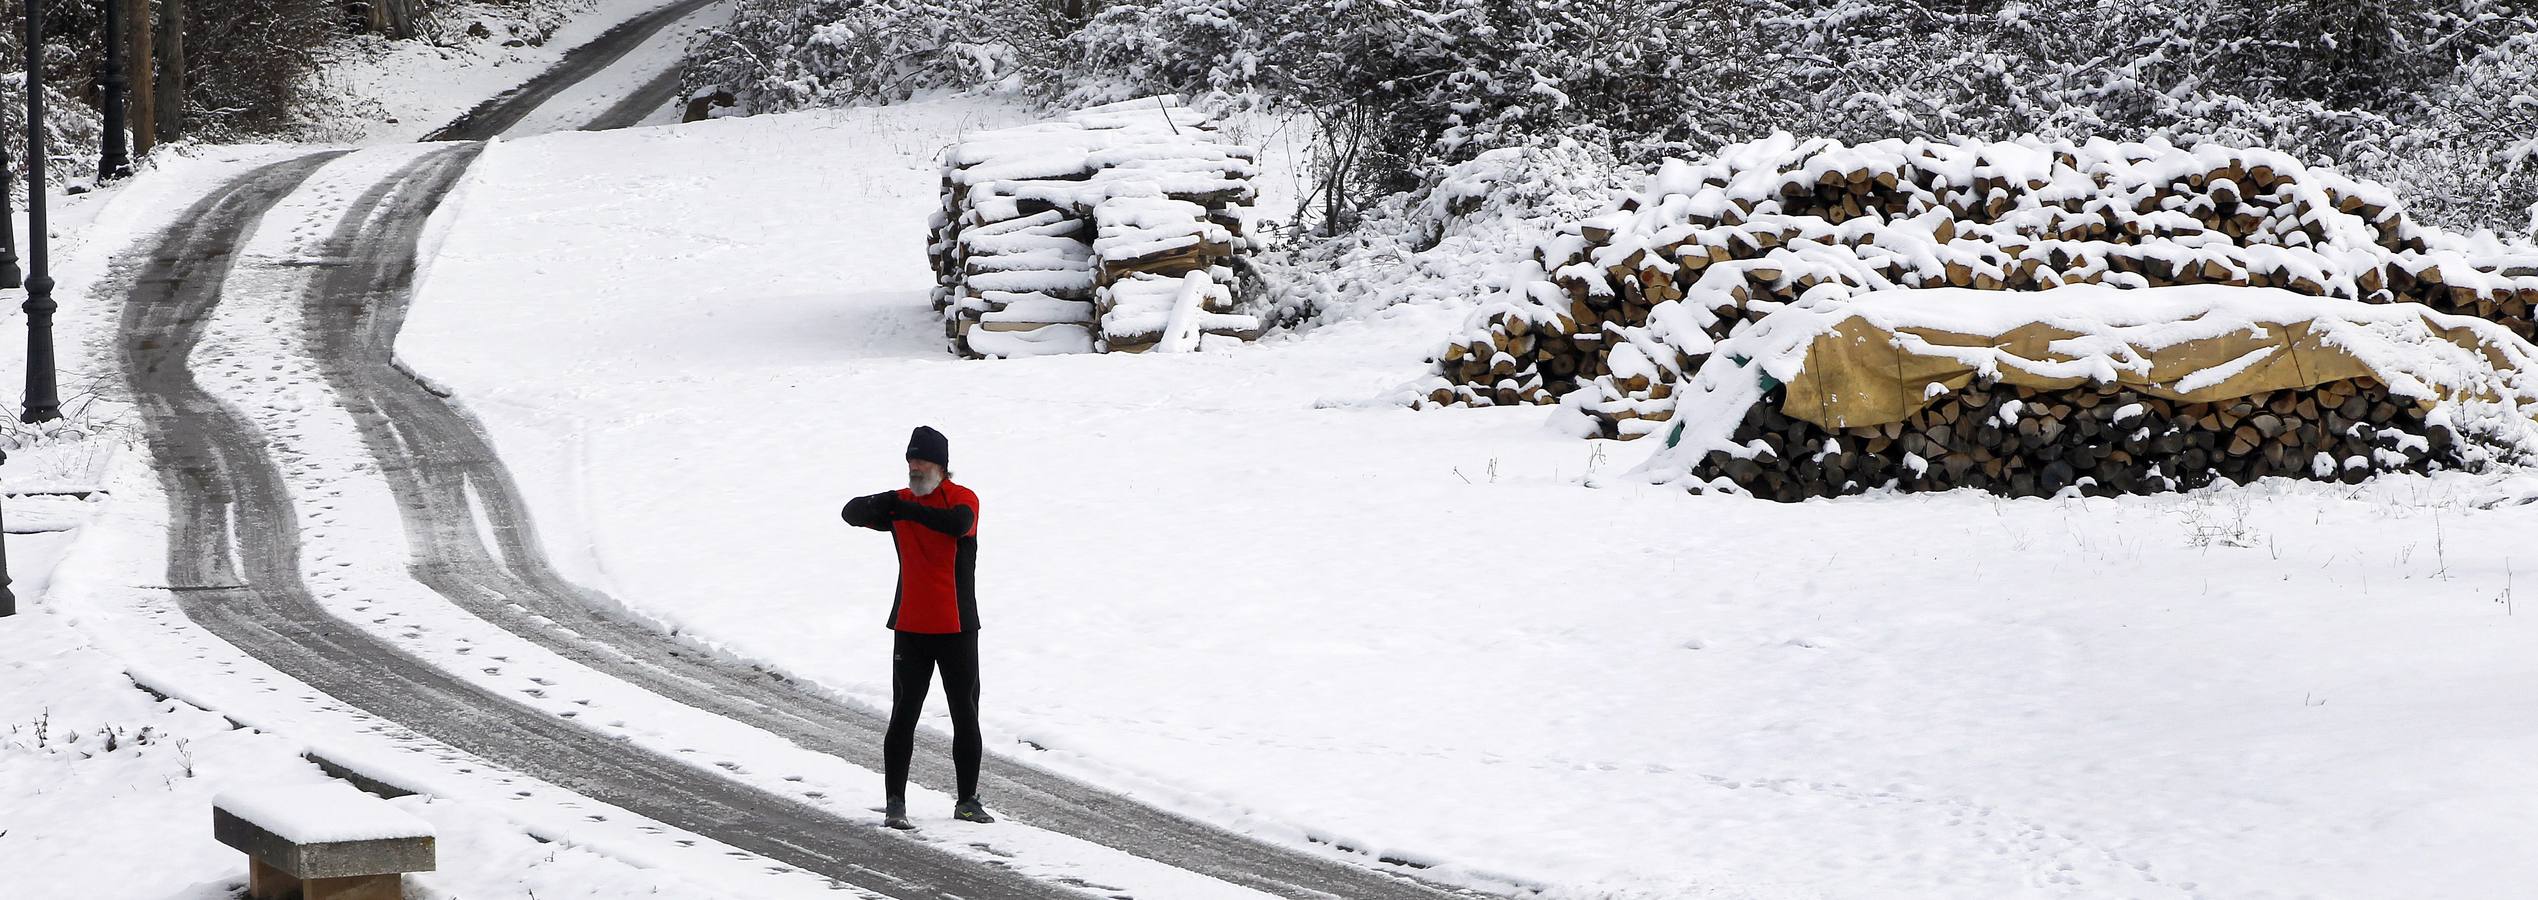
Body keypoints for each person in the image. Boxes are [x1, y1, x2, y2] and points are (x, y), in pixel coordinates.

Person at [840, 426, 992, 829]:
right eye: (910, 463)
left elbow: (958, 525)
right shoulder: (901, 502)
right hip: (910, 625)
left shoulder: (963, 500)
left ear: (941, 466)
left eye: (921, 463)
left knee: (965, 713)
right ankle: (895, 804)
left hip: (957, 626)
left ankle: (967, 800)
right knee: (904, 714)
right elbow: (851, 513)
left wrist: (908, 511)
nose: (914, 469)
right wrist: (888, 503)